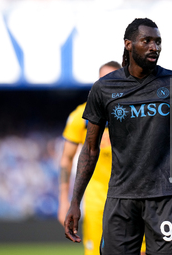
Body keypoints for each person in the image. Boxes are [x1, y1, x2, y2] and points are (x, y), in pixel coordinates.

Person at [65, 18, 172, 254]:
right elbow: (90, 148)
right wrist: (75, 200)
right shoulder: (104, 88)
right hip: (120, 199)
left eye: (157, 42)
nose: (153, 47)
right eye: (146, 41)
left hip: (165, 198)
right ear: (128, 44)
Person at [59, 61, 145, 255]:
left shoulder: (139, 112)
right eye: (105, 80)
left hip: (134, 199)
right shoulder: (81, 117)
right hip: (97, 203)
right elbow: (66, 159)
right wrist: (64, 200)